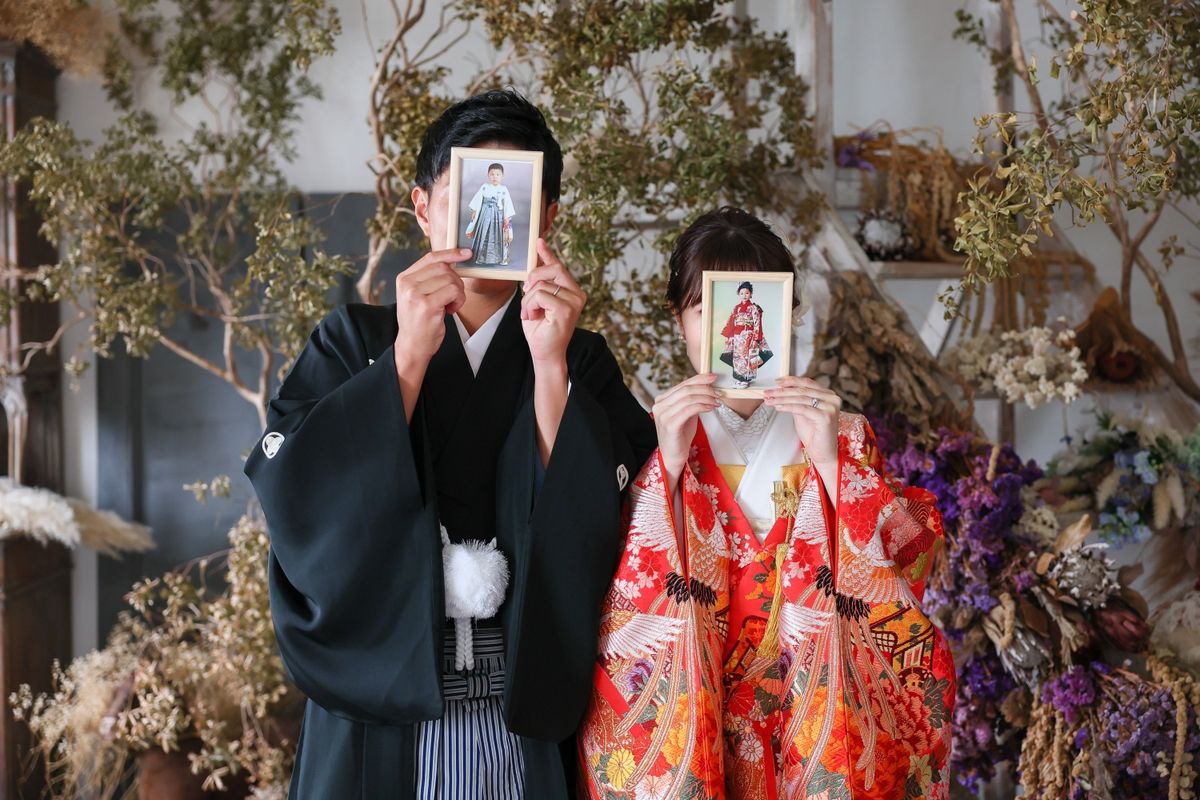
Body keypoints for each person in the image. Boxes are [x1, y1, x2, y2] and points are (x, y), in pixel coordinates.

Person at [245, 90, 656, 799]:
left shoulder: (577, 357)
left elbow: (605, 521)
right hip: (381, 703)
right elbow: (298, 492)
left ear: (547, 218)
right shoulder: (353, 341)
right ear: (423, 209)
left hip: (522, 708)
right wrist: (406, 358)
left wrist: (550, 367)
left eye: (520, 197)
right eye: (459, 196)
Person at [578, 207, 955, 799]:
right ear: (678, 319)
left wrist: (832, 466)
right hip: (698, 717)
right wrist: (666, 469)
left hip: (811, 712)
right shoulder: (652, 438)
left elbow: (909, 557)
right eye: (703, 310)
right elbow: (606, 584)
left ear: (788, 315)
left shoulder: (840, 435)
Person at [719, 280, 771, 388]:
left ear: (751, 294)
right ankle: (739, 378)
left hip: (748, 336)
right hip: (737, 336)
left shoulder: (753, 308)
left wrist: (756, 339)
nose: (744, 295)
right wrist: (730, 337)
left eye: (747, 293)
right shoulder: (736, 308)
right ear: (738, 294)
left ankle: (746, 380)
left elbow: (757, 323)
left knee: (747, 357)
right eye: (742, 293)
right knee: (737, 358)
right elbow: (732, 322)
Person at [466, 162, 517, 265]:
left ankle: (498, 258)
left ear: (502, 176)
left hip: (498, 216)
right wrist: (475, 211)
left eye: (498, 174)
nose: (495, 177)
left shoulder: (504, 189)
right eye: (492, 174)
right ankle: (480, 257)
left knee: (497, 235)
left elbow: (507, 204)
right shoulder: (484, 187)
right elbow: (478, 199)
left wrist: (507, 218)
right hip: (484, 214)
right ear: (488, 175)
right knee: (483, 233)